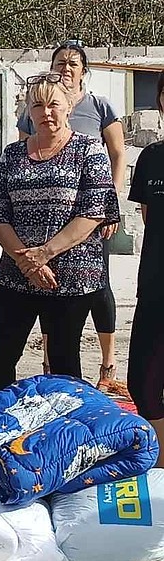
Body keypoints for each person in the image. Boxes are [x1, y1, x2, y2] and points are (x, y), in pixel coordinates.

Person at [0, 74, 120, 392]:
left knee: (64, 364)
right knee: (1, 359)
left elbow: (93, 212)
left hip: (70, 278)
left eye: (54, 104)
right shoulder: (12, 155)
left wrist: (44, 254)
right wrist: (26, 262)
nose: (46, 112)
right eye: (38, 105)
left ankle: (64, 436)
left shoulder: (90, 150)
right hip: (16, 275)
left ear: (69, 106)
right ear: (28, 112)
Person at [17, 41, 126, 387]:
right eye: (60, 61)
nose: (66, 67)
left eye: (73, 63)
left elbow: (118, 153)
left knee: (98, 289)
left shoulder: (99, 106)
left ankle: (107, 365)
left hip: (89, 217)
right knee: (47, 291)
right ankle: (52, 364)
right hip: (42, 219)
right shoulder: (34, 105)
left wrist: (111, 202)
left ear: (83, 70)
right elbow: (23, 154)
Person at [127, 70, 164, 465]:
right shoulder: (152, 158)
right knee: (143, 380)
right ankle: (159, 471)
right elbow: (150, 218)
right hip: (155, 282)